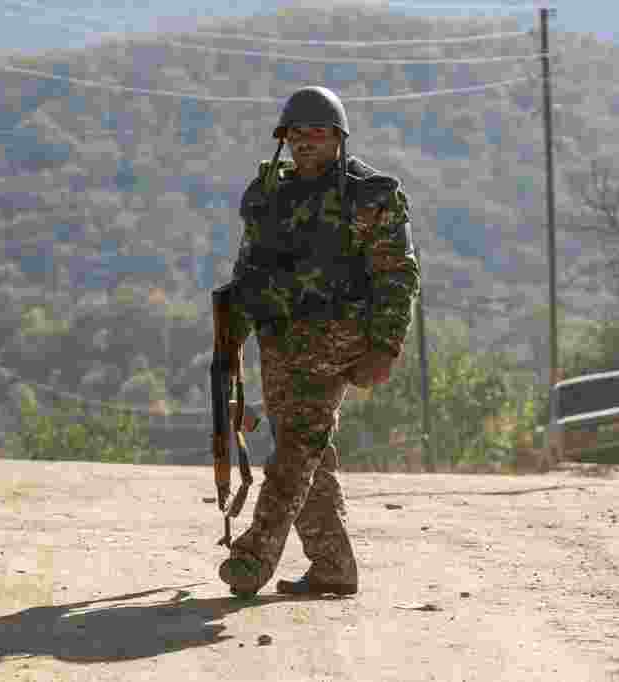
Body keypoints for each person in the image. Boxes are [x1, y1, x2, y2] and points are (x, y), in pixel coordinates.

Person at [217, 86, 420, 597]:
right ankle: (332, 564)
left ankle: (255, 553)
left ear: (338, 138)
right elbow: (247, 270)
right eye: (297, 133)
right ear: (284, 139)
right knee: (307, 449)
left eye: (318, 132)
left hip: (338, 341)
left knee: (297, 446)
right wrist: (232, 342)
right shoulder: (268, 194)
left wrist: (385, 348)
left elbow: (398, 273)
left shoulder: (369, 196)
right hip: (280, 342)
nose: (307, 141)